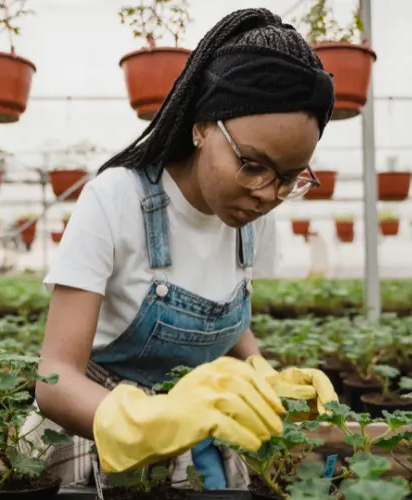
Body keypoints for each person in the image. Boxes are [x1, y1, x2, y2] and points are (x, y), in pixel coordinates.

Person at [23, 7, 339, 491]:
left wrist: (263, 373)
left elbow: (225, 311)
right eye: (253, 165)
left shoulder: (249, 215)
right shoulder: (115, 199)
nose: (268, 195)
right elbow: (56, 377)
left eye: (289, 178)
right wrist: (153, 418)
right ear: (202, 126)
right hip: (95, 424)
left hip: (194, 425)